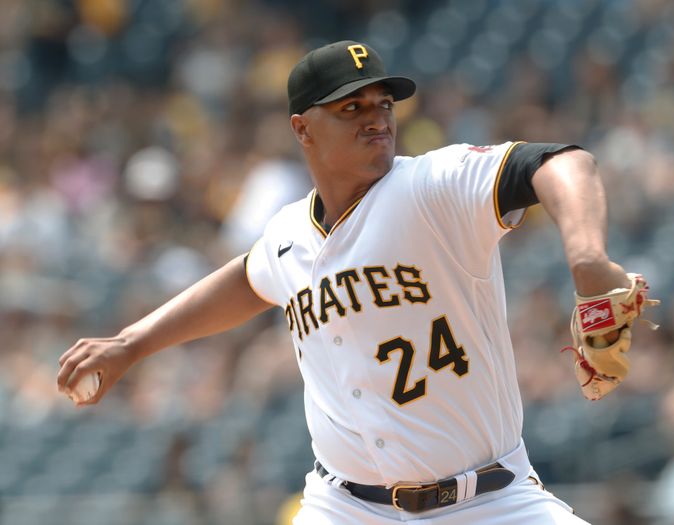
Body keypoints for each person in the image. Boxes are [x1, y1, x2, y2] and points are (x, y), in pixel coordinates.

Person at [57, 40, 637, 524]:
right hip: (345, 508)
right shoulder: (288, 233)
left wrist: (587, 259)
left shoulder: (430, 187)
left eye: (383, 103)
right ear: (301, 128)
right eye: (350, 107)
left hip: (488, 502)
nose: (376, 117)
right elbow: (245, 281)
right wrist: (133, 343)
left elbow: (562, 163)